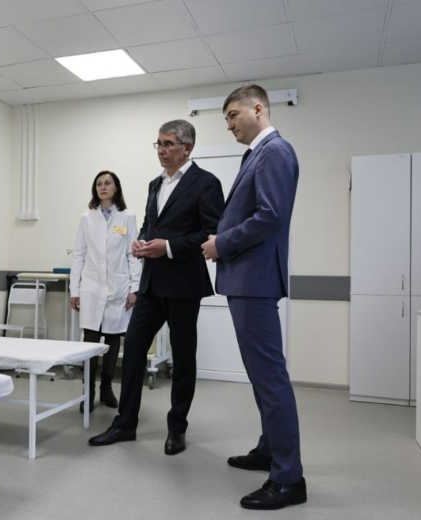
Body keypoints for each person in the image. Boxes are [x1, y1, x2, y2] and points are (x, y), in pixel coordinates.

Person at [88, 120, 224, 455]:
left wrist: (170, 247)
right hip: (151, 283)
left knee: (183, 357)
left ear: (187, 148)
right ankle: (125, 424)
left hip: (184, 283)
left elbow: (211, 231)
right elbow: (151, 225)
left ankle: (177, 428)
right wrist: (140, 241)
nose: (161, 150)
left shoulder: (206, 183)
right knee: (133, 349)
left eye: (168, 144)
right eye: (159, 144)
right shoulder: (155, 184)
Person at [201, 84, 305, 510]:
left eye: (233, 115)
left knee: (270, 378)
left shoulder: (275, 151)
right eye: (226, 118)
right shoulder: (256, 155)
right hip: (246, 279)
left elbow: (270, 216)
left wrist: (221, 244)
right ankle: (269, 449)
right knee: (262, 377)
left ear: (258, 109)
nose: (229, 125)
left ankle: (288, 479)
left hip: (255, 279)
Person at [70, 171, 141, 413]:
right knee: (90, 340)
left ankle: (106, 387)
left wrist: (134, 288)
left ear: (115, 188)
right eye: (99, 184)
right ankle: (88, 391)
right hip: (91, 288)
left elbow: (133, 254)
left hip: (118, 288)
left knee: (112, 339)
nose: (103, 187)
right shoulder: (87, 218)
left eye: (107, 183)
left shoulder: (127, 217)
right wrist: (75, 289)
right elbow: (79, 254)